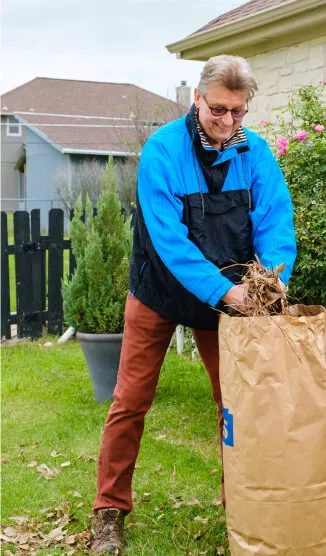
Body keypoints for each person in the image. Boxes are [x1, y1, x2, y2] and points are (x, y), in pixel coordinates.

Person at [90, 55, 296, 554]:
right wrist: (228, 292)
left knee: (238, 406)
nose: (228, 123)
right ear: (197, 98)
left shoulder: (255, 153)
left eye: (239, 112)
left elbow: (275, 222)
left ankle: (242, 507)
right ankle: (108, 512)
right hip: (159, 291)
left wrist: (271, 281)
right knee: (130, 400)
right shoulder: (162, 151)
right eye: (219, 109)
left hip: (233, 300)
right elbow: (171, 241)